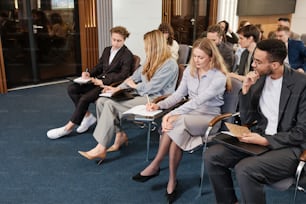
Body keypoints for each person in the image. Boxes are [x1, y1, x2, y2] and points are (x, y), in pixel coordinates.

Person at [204, 39, 306, 204]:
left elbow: (301, 133)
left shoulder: (301, 84)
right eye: (254, 60)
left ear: (274, 64)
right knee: (212, 155)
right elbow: (248, 119)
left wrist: (266, 140)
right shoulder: (259, 80)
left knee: (245, 169)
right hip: (259, 137)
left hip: (289, 147)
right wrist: (245, 92)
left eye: (258, 62)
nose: (253, 65)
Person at [132, 38, 231, 203]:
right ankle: (172, 179)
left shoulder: (219, 77)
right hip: (188, 115)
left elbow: (198, 101)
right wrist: (160, 105)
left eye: (201, 57)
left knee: (176, 122)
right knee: (175, 132)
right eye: (194, 57)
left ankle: (156, 164)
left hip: (209, 119)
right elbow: (179, 95)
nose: (196, 61)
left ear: (211, 57)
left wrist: (171, 115)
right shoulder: (189, 71)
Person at [77, 29, 178, 163]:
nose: (145, 48)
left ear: (155, 46)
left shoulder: (170, 65)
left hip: (155, 100)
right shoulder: (150, 60)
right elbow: (133, 77)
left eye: (147, 46)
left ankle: (101, 147)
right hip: (141, 95)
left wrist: (135, 86)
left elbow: (153, 87)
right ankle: (120, 135)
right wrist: (116, 89)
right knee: (102, 100)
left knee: (110, 104)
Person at [47, 26, 134, 139]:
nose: (115, 43)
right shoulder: (107, 50)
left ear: (124, 40)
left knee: (85, 98)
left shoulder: (127, 55)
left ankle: (68, 127)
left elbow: (123, 75)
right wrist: (89, 74)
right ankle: (87, 116)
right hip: (96, 80)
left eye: (119, 41)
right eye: (114, 39)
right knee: (72, 89)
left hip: (109, 85)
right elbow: (99, 67)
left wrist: (102, 81)